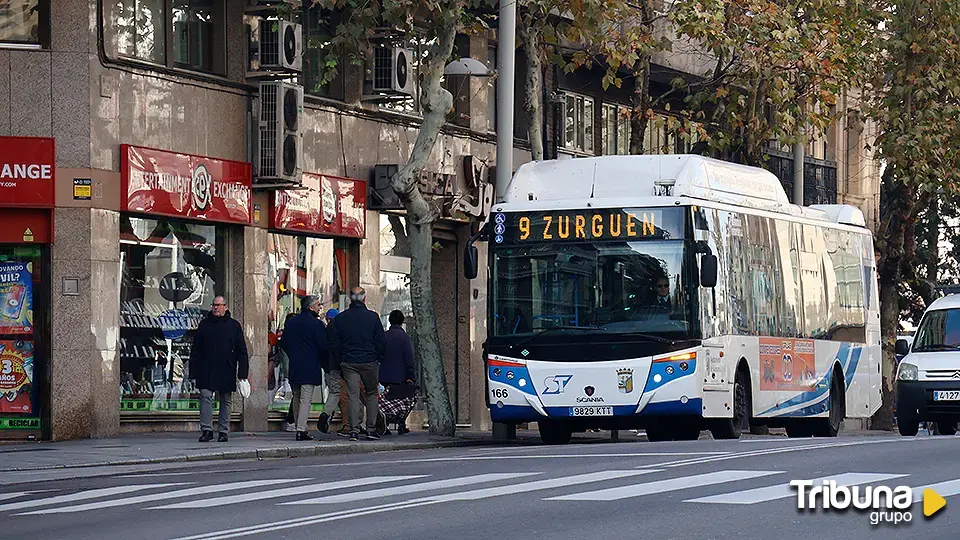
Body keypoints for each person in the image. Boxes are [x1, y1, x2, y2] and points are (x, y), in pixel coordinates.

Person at [189, 296, 249, 443]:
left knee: (226, 400)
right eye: (214, 305)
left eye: (218, 305)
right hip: (206, 367)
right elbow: (196, 349)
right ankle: (207, 430)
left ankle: (223, 431)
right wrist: (193, 371)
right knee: (205, 396)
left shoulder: (234, 325)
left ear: (225, 307)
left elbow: (242, 350)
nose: (215, 308)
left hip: (226, 367)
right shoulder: (204, 324)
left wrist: (243, 373)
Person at [330, 287, 386, 441]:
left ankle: (353, 430)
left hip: (348, 361)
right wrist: (378, 358)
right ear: (364, 299)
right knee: (372, 394)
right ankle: (371, 429)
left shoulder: (341, 319)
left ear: (350, 299)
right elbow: (381, 341)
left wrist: (340, 359)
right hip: (369, 361)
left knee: (353, 396)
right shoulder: (373, 317)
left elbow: (335, 343)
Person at [280, 295, 329, 441]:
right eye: (318, 305)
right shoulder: (316, 324)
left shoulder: (292, 322)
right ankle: (301, 429)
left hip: (295, 364)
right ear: (310, 307)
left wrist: (294, 354)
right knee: (305, 398)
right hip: (310, 365)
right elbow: (323, 346)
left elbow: (284, 343)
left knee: (296, 396)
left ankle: (298, 426)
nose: (320, 307)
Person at [317, 308, 342, 434]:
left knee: (334, 392)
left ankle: (326, 414)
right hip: (339, 366)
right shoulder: (339, 329)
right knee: (346, 393)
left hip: (328, 367)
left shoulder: (325, 330)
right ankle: (351, 422)